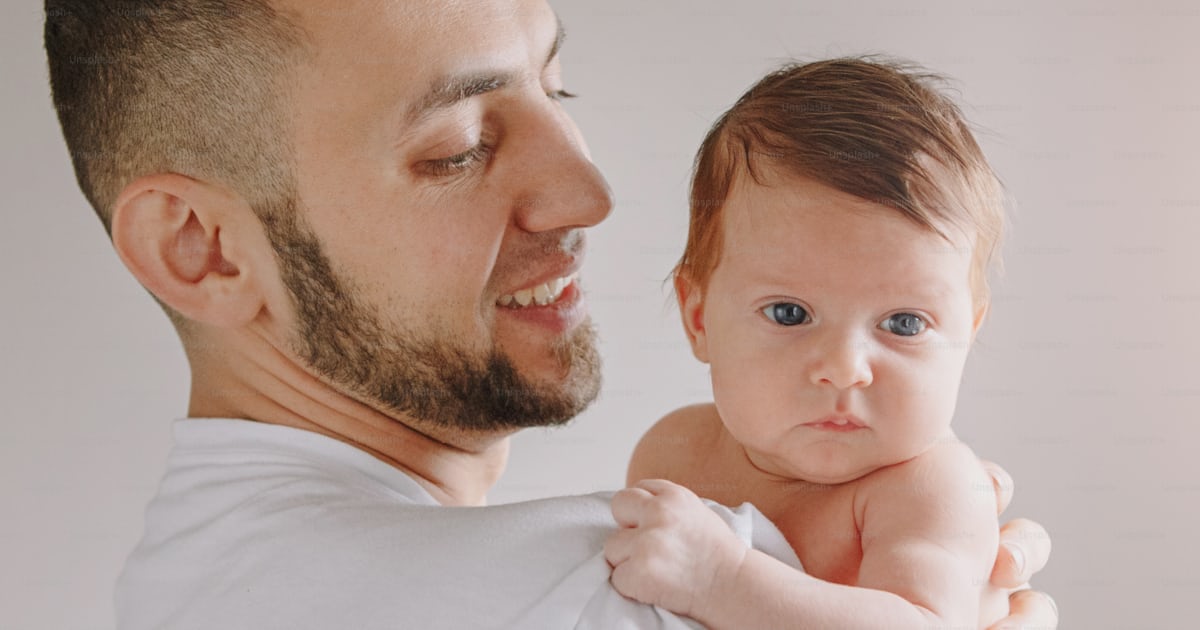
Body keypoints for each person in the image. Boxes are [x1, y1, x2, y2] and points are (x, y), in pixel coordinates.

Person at [42, 1, 1056, 628]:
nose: (589, 193)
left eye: (556, 90)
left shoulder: (175, 581)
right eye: (459, 147)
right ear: (202, 247)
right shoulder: (623, 584)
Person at [603, 58, 1032, 629]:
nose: (845, 368)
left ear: (967, 335)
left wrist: (723, 581)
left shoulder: (930, 490)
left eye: (904, 323)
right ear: (699, 319)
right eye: (790, 313)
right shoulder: (672, 453)